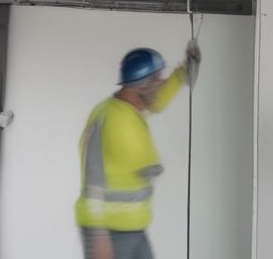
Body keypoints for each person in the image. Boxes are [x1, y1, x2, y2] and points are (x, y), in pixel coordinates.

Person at [76, 42, 201, 259]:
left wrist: (184, 71)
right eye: (158, 79)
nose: (162, 83)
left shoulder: (124, 108)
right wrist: (98, 236)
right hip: (110, 233)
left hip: (131, 228)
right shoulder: (119, 122)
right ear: (143, 84)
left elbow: (156, 102)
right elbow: (94, 181)